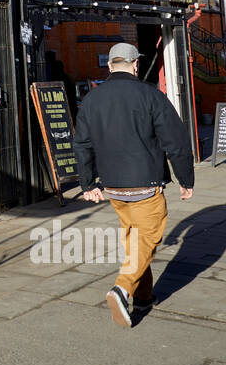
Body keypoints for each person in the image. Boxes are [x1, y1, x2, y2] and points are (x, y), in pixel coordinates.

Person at [73, 43, 195, 328]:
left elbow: (81, 144)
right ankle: (122, 288)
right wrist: (185, 179)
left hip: (113, 187)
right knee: (147, 240)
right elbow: (175, 142)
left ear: (110, 66)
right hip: (145, 184)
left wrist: (88, 183)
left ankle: (143, 296)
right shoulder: (151, 95)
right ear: (136, 65)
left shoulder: (92, 99)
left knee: (136, 241)